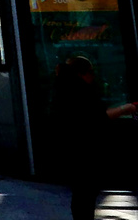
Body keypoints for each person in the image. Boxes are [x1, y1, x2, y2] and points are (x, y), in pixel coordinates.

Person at [54, 56, 138, 220]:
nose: (94, 76)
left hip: (74, 150)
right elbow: (97, 118)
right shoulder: (79, 91)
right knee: (85, 194)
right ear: (83, 73)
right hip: (84, 151)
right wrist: (125, 109)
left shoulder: (64, 89)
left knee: (82, 195)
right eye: (91, 72)